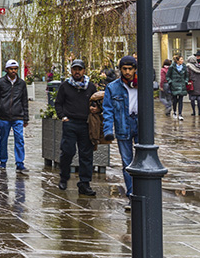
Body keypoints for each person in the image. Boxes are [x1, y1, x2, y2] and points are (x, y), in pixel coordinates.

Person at [54, 59, 97, 196]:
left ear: (84, 71)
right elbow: (58, 103)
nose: (77, 72)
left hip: (85, 124)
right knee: (67, 151)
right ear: (71, 70)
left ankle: (84, 183)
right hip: (70, 123)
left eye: (79, 69)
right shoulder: (65, 86)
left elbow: (97, 103)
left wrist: (95, 109)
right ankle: (64, 177)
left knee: (86, 154)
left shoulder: (90, 87)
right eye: (74, 69)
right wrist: (63, 116)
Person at [102, 55, 139, 210]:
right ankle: (131, 195)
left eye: (130, 69)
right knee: (127, 163)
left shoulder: (141, 84)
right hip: (123, 125)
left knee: (143, 161)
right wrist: (108, 130)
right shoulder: (113, 87)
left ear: (135, 69)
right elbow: (108, 110)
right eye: (124, 69)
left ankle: (141, 194)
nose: (127, 72)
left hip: (139, 124)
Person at [0, 60, 29, 172]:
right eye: (11, 69)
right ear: (6, 69)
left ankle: (20, 163)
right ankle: (3, 161)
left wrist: (26, 117)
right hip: (3, 116)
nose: (13, 71)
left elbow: (24, 101)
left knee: (19, 139)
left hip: (18, 116)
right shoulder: (0, 82)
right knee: (3, 139)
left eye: (15, 69)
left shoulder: (21, 83)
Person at [167, 55, 188, 120]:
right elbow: (167, 76)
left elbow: (187, 76)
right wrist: (171, 82)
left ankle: (180, 114)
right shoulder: (171, 67)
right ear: (177, 61)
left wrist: (186, 81)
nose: (182, 60)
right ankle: (175, 112)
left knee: (181, 100)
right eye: (181, 59)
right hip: (174, 85)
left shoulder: (184, 67)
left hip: (182, 85)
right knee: (175, 100)